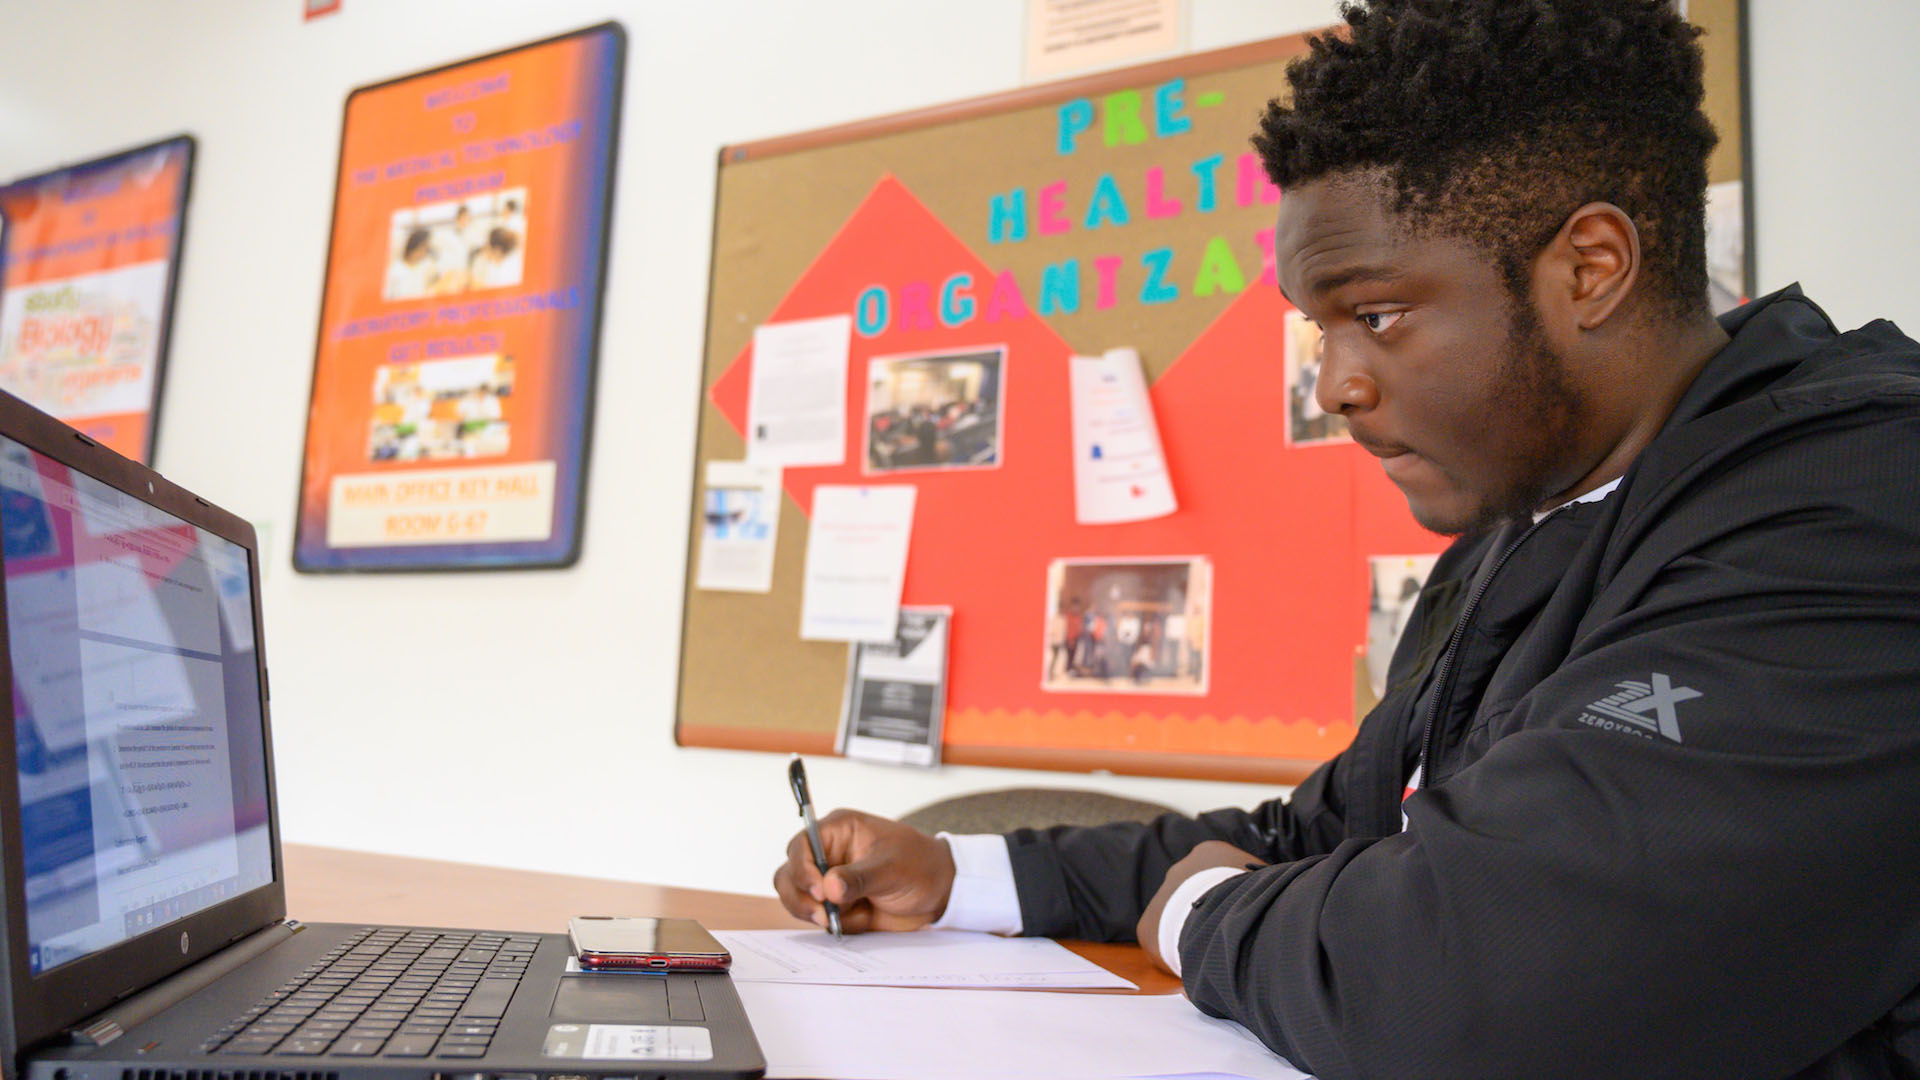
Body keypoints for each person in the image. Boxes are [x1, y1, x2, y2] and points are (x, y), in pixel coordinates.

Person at [773, 1, 1920, 1076]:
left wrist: (1197, 915)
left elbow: (1482, 982)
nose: (1332, 386)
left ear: (1591, 268)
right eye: (1317, 332)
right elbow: (1328, 833)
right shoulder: (1525, 515)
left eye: (1374, 316)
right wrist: (961, 874)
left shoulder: (1861, 505)